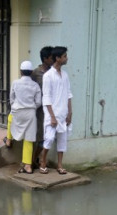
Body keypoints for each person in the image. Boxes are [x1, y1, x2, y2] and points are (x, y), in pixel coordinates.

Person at [4, 60, 42, 174]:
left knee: (10, 118)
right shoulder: (35, 85)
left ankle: (9, 140)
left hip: (17, 111)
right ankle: (28, 166)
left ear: (21, 72)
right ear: (31, 72)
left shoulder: (15, 83)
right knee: (29, 139)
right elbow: (39, 102)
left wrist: (16, 106)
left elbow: (11, 98)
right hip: (30, 113)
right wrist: (31, 108)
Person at [40, 46, 72, 175]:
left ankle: (60, 165)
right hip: (52, 114)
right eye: (64, 56)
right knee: (49, 139)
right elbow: (46, 97)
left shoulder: (65, 75)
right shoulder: (48, 76)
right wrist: (52, 117)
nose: (66, 58)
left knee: (62, 140)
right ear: (57, 58)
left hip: (63, 113)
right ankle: (43, 162)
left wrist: (70, 113)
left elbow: (69, 94)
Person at [31, 46, 53, 168]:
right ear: (45, 59)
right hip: (39, 111)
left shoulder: (53, 72)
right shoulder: (36, 73)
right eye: (51, 58)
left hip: (51, 109)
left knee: (48, 136)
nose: (53, 60)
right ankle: (33, 160)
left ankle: (36, 159)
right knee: (40, 136)